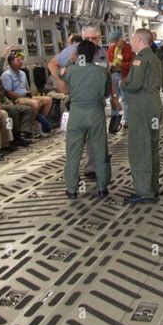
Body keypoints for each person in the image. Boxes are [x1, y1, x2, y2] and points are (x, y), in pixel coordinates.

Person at [48, 25, 120, 178]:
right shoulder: (72, 51)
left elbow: (108, 77)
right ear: (82, 38)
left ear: (99, 38)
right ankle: (86, 180)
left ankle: (92, 169)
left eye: (94, 38)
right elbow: (52, 64)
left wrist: (114, 99)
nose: (91, 41)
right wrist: (60, 82)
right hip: (77, 102)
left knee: (97, 141)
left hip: (96, 103)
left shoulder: (101, 53)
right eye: (88, 38)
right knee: (76, 142)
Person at [60, 40, 112, 200]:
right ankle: (102, 187)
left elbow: (63, 79)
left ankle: (72, 189)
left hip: (76, 114)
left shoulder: (70, 71)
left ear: (77, 54)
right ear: (94, 54)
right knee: (100, 150)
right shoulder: (102, 72)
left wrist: (71, 60)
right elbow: (106, 93)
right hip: (96, 114)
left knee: (73, 151)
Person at [121, 28, 163, 204]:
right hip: (154, 105)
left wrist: (123, 84)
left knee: (140, 149)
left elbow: (135, 84)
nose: (131, 42)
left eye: (132, 38)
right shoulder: (155, 58)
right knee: (152, 146)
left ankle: (144, 191)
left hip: (142, 107)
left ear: (139, 39)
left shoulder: (140, 59)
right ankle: (152, 187)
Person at [1, 53, 53, 131]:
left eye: (21, 60)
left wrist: (30, 95)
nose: (21, 62)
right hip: (16, 99)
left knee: (48, 100)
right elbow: (8, 92)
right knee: (35, 103)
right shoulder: (6, 75)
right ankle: (30, 127)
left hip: (26, 97)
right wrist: (24, 97)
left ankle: (41, 121)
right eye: (18, 60)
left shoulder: (23, 73)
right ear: (11, 62)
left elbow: (27, 88)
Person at [107, 28, 134, 127]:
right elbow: (108, 60)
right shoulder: (111, 48)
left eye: (116, 41)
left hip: (124, 76)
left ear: (121, 39)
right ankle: (115, 118)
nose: (115, 43)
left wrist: (122, 65)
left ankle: (127, 120)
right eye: (113, 41)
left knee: (126, 98)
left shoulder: (129, 48)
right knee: (113, 98)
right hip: (113, 75)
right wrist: (110, 65)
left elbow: (133, 63)